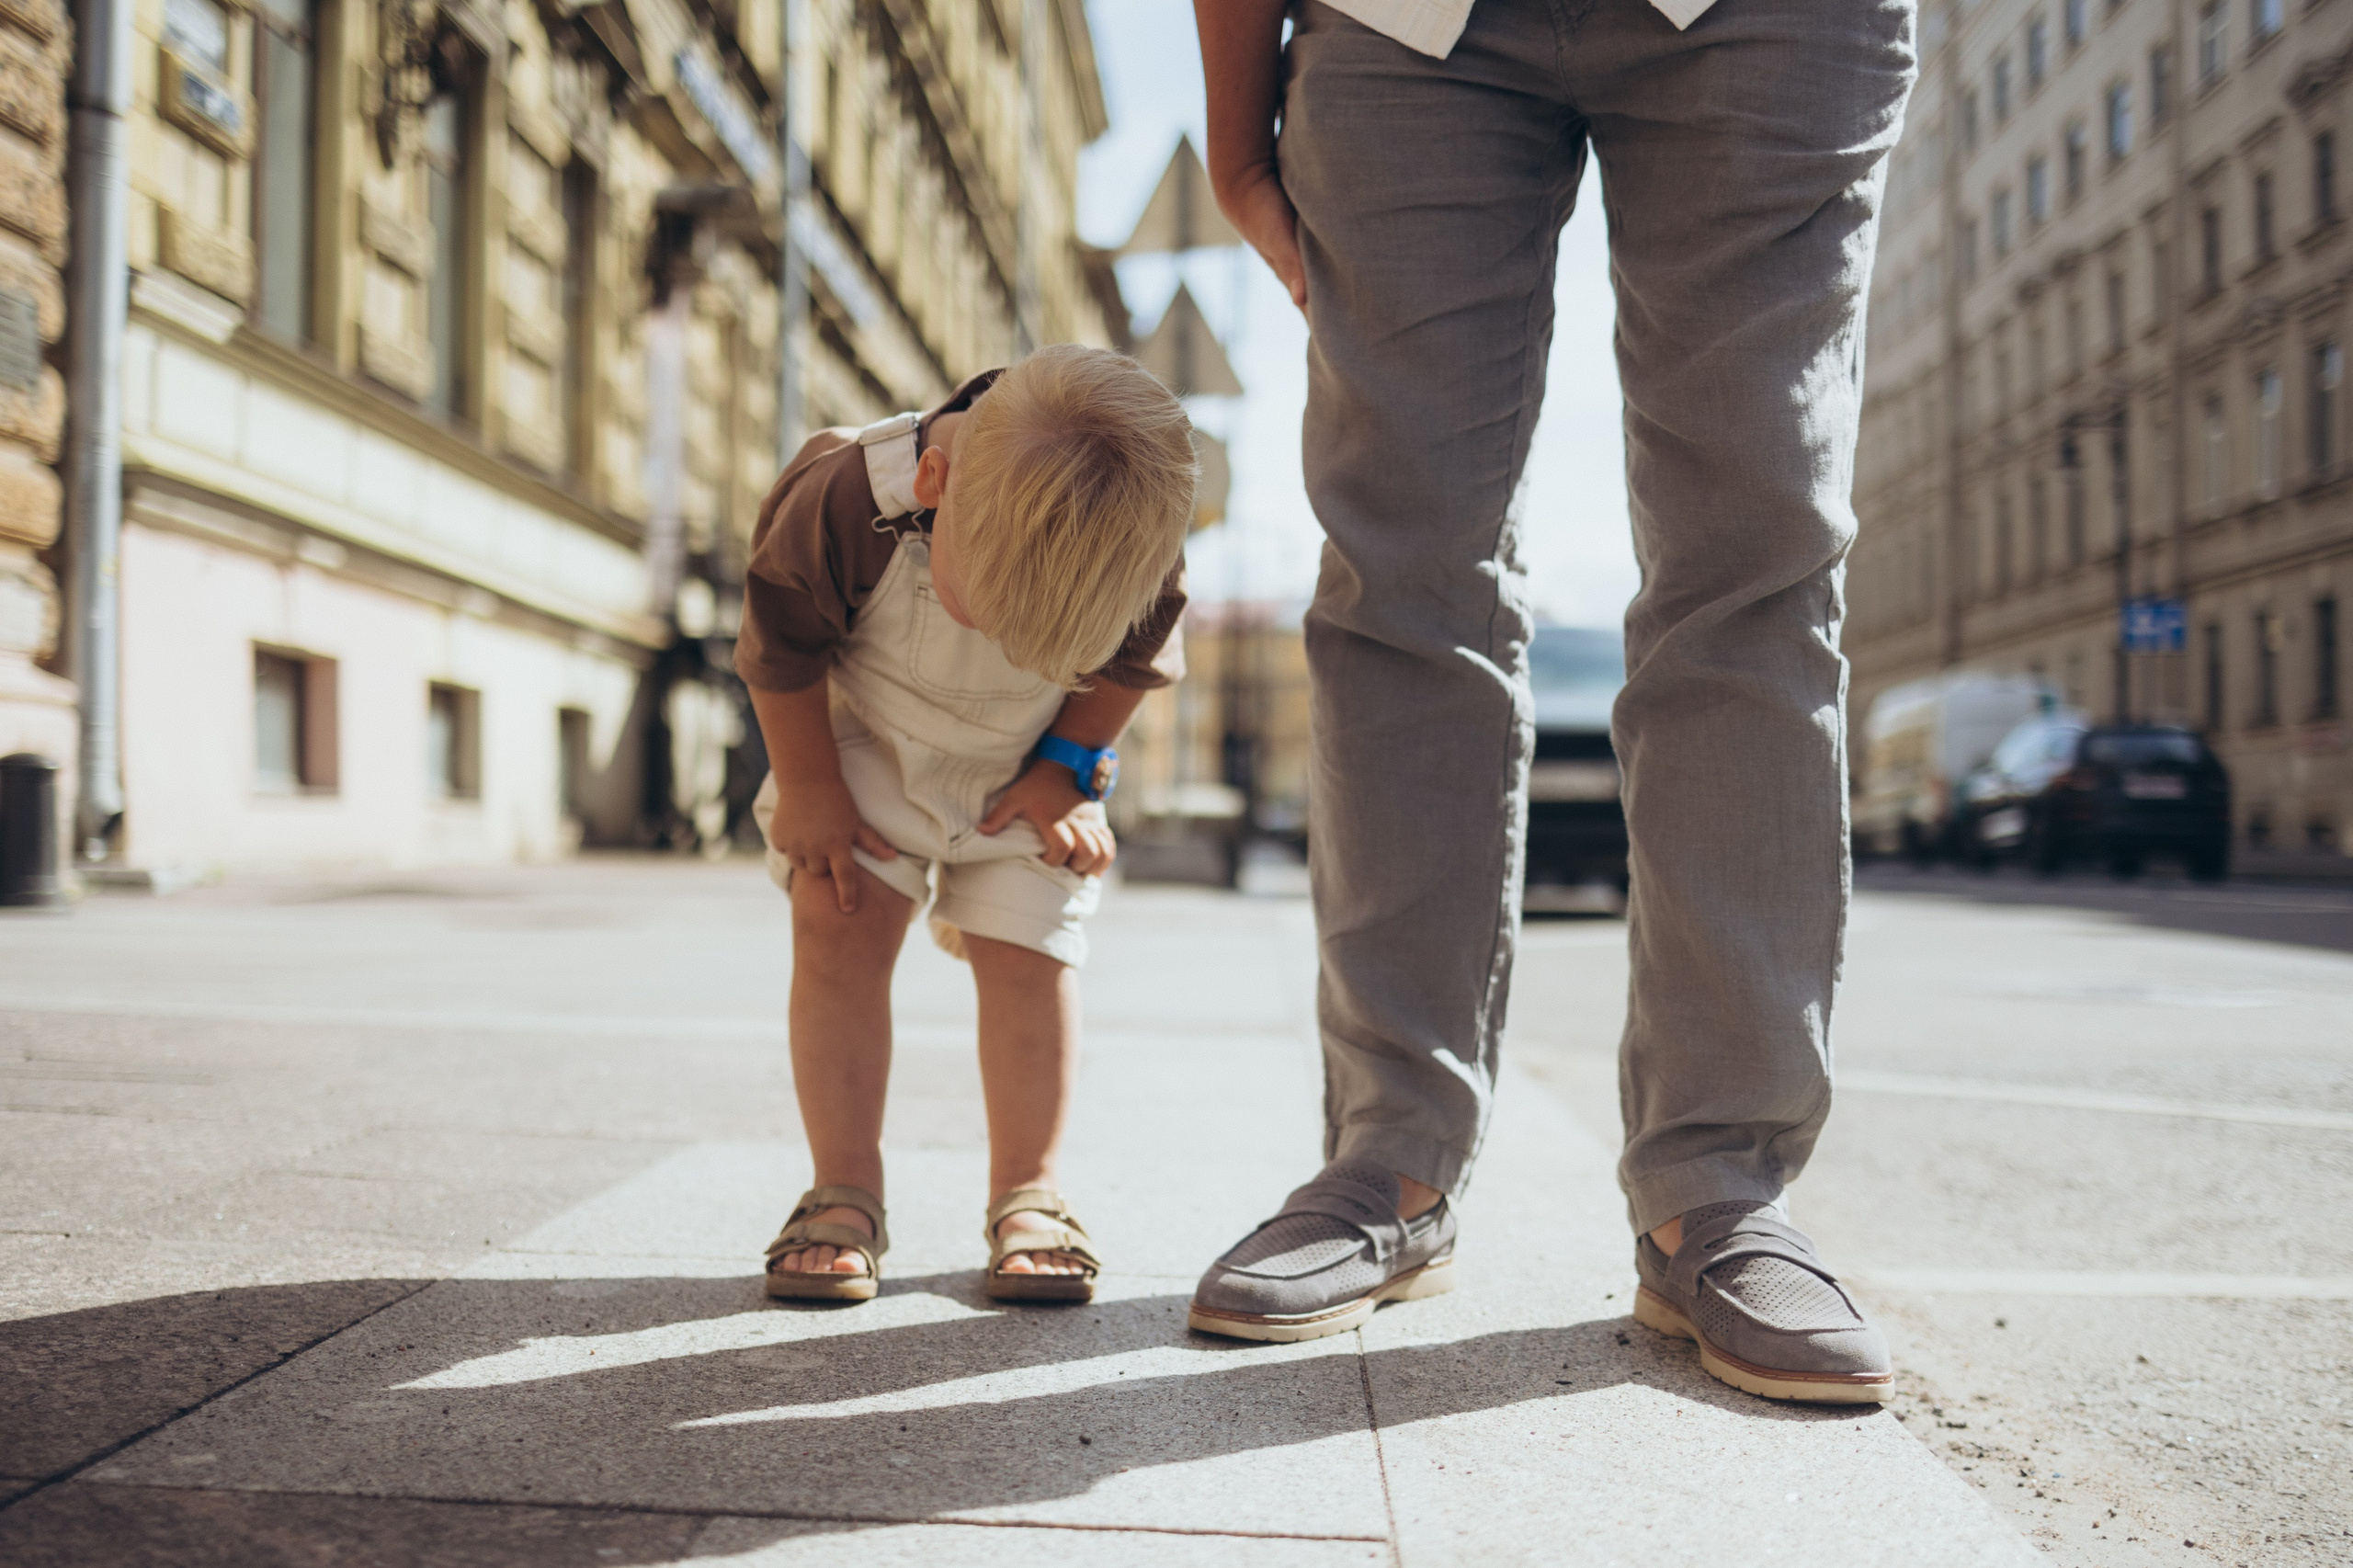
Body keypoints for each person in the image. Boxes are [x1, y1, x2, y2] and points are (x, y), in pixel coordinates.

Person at [1185, 0, 1914, 1403]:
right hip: (1405, 25)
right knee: (1400, 568)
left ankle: (1717, 1188)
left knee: (1754, 562)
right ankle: (1388, 1161)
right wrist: (1233, 126)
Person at [737, 345, 1193, 1307]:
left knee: (1030, 955)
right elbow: (778, 648)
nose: (994, 635)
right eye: (985, 605)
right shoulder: (844, 492)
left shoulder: (1133, 533)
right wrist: (809, 788)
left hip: (1033, 761)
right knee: (836, 925)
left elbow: (1133, 668)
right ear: (933, 484)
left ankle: (1029, 1189)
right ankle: (843, 1190)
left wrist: (1071, 770)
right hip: (867, 744)